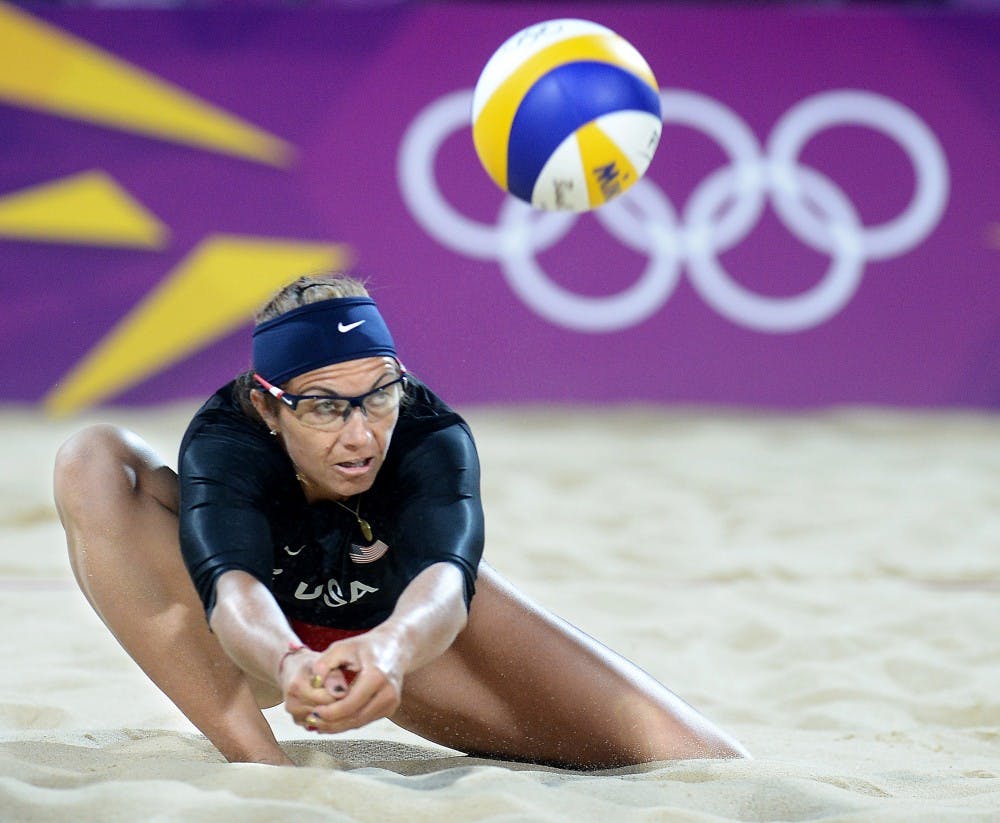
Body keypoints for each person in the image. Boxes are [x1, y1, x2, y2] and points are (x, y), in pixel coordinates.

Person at [53, 272, 748, 768]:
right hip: (258, 643)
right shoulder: (229, 440)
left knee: (700, 759)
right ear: (267, 407)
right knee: (90, 457)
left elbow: (447, 587)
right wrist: (290, 661)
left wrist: (389, 649)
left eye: (379, 394)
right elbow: (233, 593)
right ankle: (262, 768)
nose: (360, 435)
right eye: (325, 405)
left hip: (396, 633)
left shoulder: (428, 431)